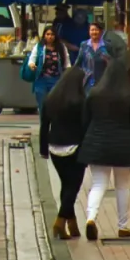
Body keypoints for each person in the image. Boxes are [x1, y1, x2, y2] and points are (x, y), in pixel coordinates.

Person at [78, 57, 130, 240]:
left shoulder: (95, 93)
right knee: (123, 186)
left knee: (98, 184)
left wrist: (87, 139)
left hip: (97, 145)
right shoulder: (128, 95)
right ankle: (123, 226)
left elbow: (86, 120)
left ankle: (91, 218)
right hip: (123, 145)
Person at [40, 66, 89, 240]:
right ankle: (60, 221)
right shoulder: (81, 101)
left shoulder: (50, 99)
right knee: (73, 186)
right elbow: (85, 127)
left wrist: (43, 149)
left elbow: (44, 125)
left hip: (54, 147)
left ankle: (72, 223)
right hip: (75, 147)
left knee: (66, 185)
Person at [26, 26, 68, 116]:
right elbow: (31, 60)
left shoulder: (61, 47)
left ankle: (54, 127)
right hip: (41, 80)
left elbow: (67, 64)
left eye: (52, 34)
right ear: (44, 35)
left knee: (55, 106)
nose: (50, 37)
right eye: (48, 34)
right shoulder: (39, 47)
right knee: (42, 106)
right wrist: (32, 65)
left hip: (56, 80)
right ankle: (44, 128)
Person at [77, 21, 112, 88]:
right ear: (89, 32)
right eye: (92, 30)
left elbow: (112, 63)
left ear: (101, 31)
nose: (94, 32)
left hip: (103, 82)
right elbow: (78, 62)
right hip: (87, 82)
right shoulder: (84, 45)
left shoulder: (107, 45)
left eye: (96, 30)